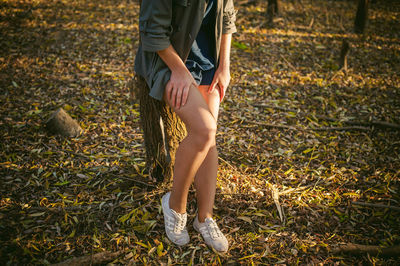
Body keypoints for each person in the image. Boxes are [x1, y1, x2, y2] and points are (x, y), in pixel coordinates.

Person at [134, 0, 236, 252]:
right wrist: (179, 71)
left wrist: (225, 66)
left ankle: (204, 218)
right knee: (205, 130)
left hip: (209, 63)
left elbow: (227, 18)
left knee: (208, 139)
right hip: (169, 62)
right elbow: (152, 31)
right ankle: (174, 205)